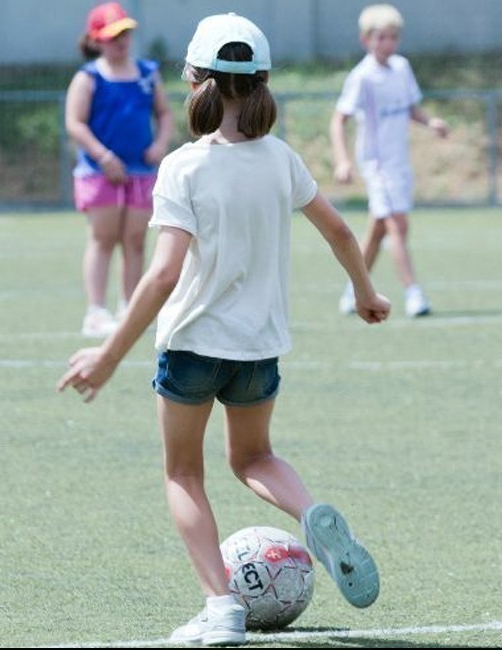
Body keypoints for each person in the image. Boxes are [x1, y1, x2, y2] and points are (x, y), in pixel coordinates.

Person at [56, 12, 388, 647]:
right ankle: (308, 512)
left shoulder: (184, 167)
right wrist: (366, 292)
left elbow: (160, 278)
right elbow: (342, 231)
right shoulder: (282, 159)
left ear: (193, 79)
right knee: (255, 456)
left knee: (183, 474)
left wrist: (106, 354)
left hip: (190, 347)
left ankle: (221, 608)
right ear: (262, 82)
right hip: (260, 349)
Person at [330, 3, 449, 318]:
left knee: (379, 230)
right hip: (377, 164)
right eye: (380, 37)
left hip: (399, 163)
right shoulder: (362, 77)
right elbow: (338, 120)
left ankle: (352, 290)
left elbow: (411, 108)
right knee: (398, 225)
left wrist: (430, 122)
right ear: (366, 39)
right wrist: (343, 161)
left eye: (393, 37)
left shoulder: (401, 68)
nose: (387, 43)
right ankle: (414, 294)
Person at [65, 1, 175, 338]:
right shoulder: (88, 78)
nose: (122, 41)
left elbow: (165, 114)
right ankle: (96, 312)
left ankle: (130, 306)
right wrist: (104, 156)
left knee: (136, 241)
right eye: (114, 36)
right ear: (97, 39)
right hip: (100, 173)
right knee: (103, 239)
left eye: (125, 34)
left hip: (141, 171)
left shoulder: (147, 73)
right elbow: (75, 123)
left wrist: (160, 144)